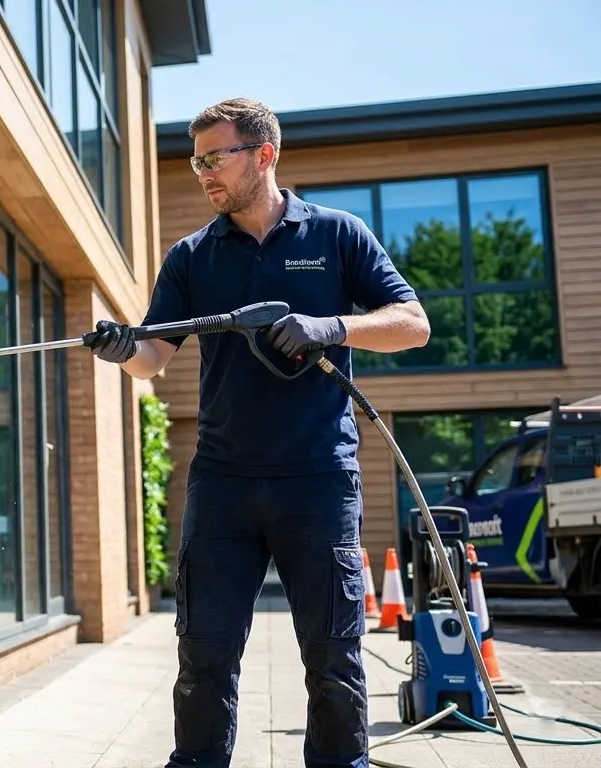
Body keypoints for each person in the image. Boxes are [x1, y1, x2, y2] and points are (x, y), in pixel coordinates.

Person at [87, 98, 431, 768]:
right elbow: (156, 358)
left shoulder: (336, 235)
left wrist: (331, 326)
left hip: (318, 480)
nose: (203, 173)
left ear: (264, 154)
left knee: (333, 657)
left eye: (216, 158)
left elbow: (413, 323)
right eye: (197, 161)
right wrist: (122, 348)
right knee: (204, 654)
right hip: (222, 484)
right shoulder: (191, 257)